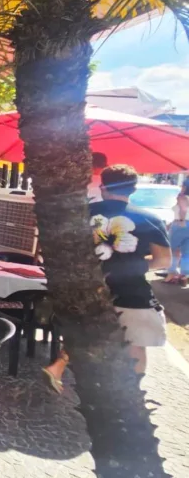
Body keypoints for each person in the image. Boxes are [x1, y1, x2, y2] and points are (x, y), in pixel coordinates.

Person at [43, 165, 170, 386]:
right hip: (131, 292)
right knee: (135, 344)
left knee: (85, 330)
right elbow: (163, 260)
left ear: (103, 187)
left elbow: (64, 248)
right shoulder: (148, 218)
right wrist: (133, 266)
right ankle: (131, 392)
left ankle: (58, 368)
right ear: (133, 189)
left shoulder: (83, 213)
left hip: (88, 287)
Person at [166, 193, 189, 284]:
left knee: (172, 249)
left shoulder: (183, 197)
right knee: (186, 252)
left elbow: (183, 209)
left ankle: (171, 274)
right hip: (184, 224)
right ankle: (184, 275)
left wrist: (181, 220)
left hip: (180, 225)